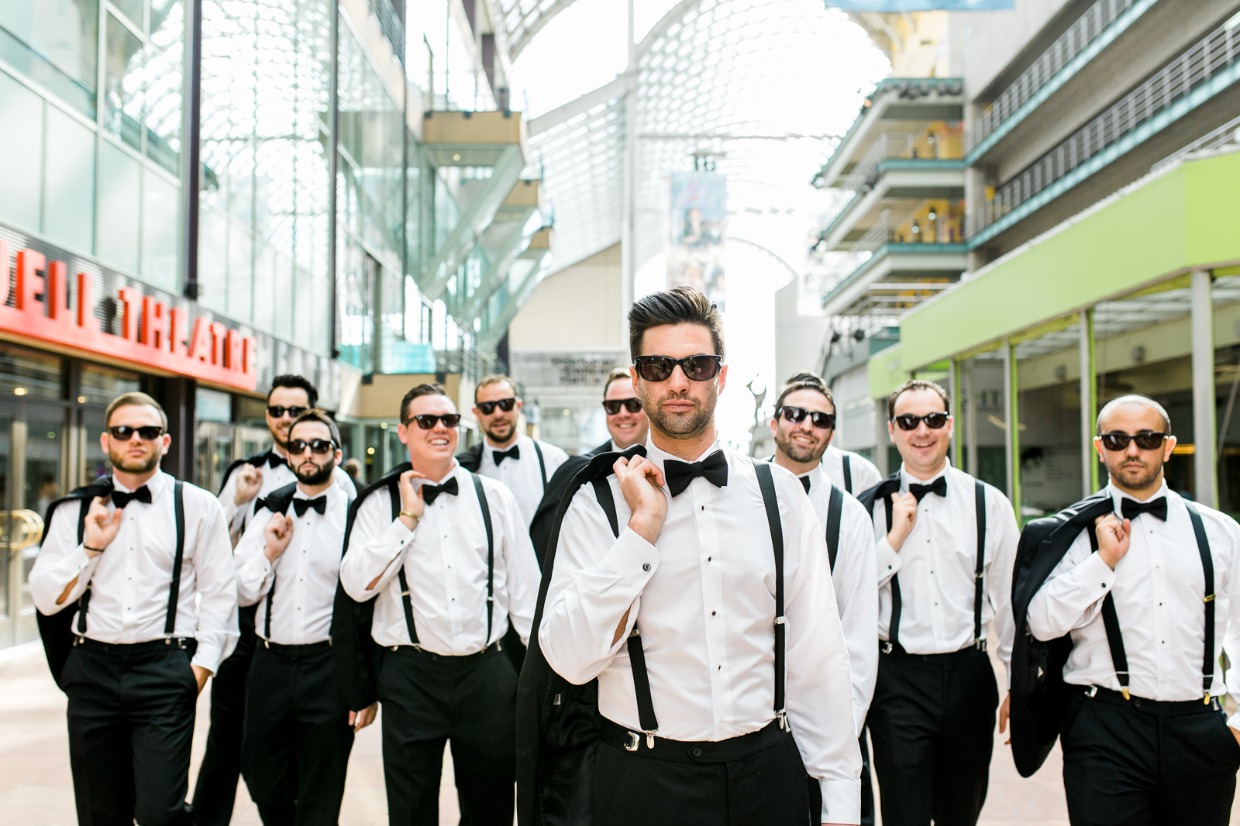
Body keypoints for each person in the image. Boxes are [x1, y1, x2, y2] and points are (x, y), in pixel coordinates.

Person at [530, 286, 861, 825]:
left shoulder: (780, 495)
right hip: (641, 780)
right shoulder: (596, 502)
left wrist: (841, 805)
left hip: (767, 775)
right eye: (659, 366)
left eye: (696, 364)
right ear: (637, 380)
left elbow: (817, 658)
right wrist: (639, 536)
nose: (678, 381)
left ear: (721, 376)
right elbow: (567, 658)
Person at [1023, 395, 1240, 825]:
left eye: (1146, 438)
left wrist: (1237, 725)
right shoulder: (1069, 533)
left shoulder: (1219, 532)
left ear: (1168, 445)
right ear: (1100, 447)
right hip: (1105, 729)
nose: (1132, 450)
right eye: (1118, 439)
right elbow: (1041, 624)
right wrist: (1101, 563)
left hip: (1201, 729)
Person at [30, 392, 238, 826]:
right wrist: (89, 549)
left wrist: (199, 669)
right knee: (100, 811)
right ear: (106, 442)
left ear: (165, 442)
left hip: (164, 668)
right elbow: (47, 597)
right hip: (92, 668)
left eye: (148, 431)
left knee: (159, 811)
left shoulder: (199, 507)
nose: (135, 440)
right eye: (124, 432)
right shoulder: (73, 510)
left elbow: (221, 594)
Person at [338, 383, 539, 826]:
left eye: (448, 420)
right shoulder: (377, 503)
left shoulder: (495, 498)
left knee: (490, 808)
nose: (440, 428)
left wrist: (541, 677)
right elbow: (356, 586)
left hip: (487, 674)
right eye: (426, 420)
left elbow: (526, 594)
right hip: (412, 678)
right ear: (403, 432)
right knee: (411, 811)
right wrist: (406, 519)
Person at [193, 374, 356, 826]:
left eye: (317, 444)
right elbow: (223, 565)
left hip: (325, 659)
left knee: (321, 771)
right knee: (249, 757)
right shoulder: (255, 488)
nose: (289, 425)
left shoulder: (352, 504)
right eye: (279, 413)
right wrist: (260, 538)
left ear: (333, 450)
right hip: (259, 648)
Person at [856, 379, 1017, 826]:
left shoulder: (990, 504)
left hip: (970, 675)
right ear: (892, 430)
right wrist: (893, 540)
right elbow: (846, 597)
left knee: (962, 810)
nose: (921, 431)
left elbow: (1009, 603)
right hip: (897, 681)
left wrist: (1019, 685)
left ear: (949, 425)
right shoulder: (865, 509)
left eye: (932, 419)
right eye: (909, 421)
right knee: (904, 812)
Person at [233, 409, 377, 825]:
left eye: (318, 445)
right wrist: (268, 553)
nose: (308, 453)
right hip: (269, 664)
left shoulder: (357, 514)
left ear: (335, 451)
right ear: (289, 454)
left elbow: (369, 603)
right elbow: (241, 591)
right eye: (299, 446)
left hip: (327, 668)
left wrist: (363, 686)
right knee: (261, 774)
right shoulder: (267, 511)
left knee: (322, 786)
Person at [769, 371, 879, 825]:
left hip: (827, 716)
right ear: (774, 422)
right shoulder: (735, 495)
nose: (806, 425)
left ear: (831, 433)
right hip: (749, 723)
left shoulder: (851, 516)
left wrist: (837, 739)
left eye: (820, 418)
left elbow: (857, 633)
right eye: (795, 414)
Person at [528, 367, 650, 563]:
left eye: (633, 404)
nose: (623, 413)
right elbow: (545, 544)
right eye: (613, 406)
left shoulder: (671, 466)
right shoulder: (578, 470)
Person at [458, 374, 568, 528]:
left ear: (518, 407)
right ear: (476, 413)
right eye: (488, 407)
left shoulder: (553, 459)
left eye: (506, 404)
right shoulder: (463, 468)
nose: (498, 414)